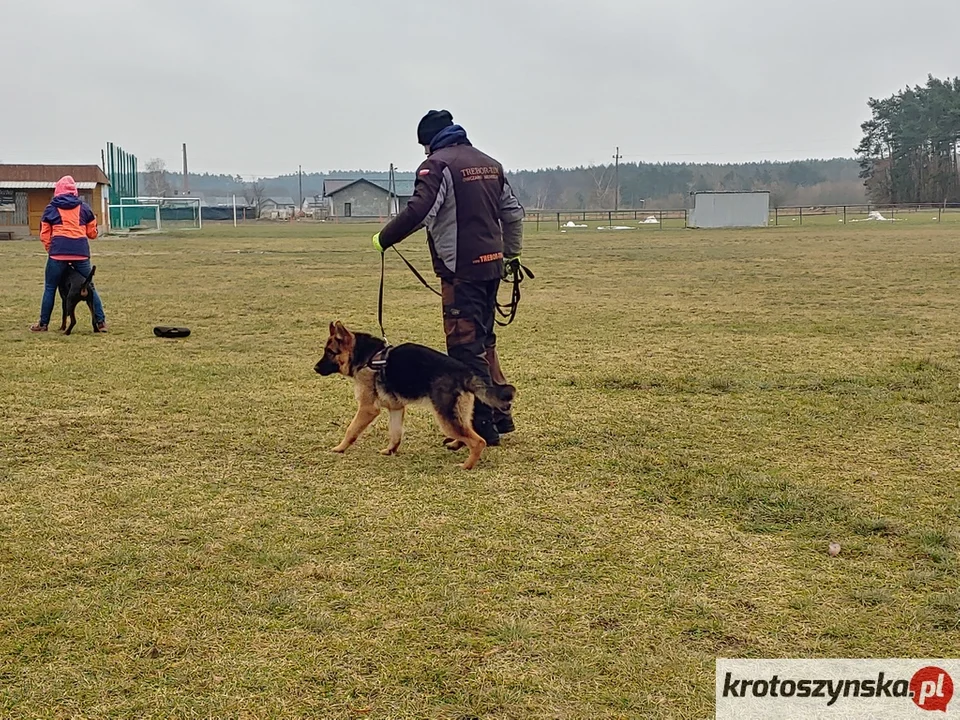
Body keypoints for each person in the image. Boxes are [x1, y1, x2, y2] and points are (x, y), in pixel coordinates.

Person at [372, 110, 525, 446]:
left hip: (461, 270)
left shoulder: (437, 166)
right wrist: (511, 254)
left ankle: (482, 425)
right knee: (485, 341)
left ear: (429, 142)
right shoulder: (490, 164)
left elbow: (420, 210)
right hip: (492, 266)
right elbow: (513, 214)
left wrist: (385, 238)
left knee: (464, 347)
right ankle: (501, 413)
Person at [31, 176, 107, 333]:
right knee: (90, 286)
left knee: (50, 287)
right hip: (80, 252)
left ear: (57, 190)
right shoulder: (84, 208)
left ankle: (43, 324)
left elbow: (44, 234)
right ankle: (100, 322)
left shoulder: (51, 208)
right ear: (74, 191)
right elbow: (92, 233)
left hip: (58, 252)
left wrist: (50, 249)